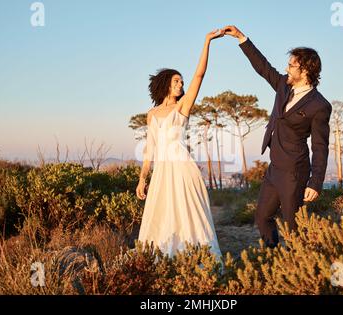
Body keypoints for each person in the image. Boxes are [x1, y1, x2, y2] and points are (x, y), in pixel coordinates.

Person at [222, 25, 332, 248]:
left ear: (306, 71)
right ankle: (273, 259)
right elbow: (263, 67)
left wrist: (315, 182)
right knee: (262, 217)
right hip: (274, 168)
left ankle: (300, 269)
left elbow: (320, 147)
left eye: (292, 65)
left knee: (294, 228)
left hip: (294, 171)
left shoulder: (319, 106)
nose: (287, 69)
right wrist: (242, 38)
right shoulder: (283, 85)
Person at [135, 30, 224, 259]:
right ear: (165, 84)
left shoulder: (182, 107)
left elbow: (199, 76)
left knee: (189, 218)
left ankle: (199, 264)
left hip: (183, 170)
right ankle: (164, 266)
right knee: (162, 219)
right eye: (176, 81)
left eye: (182, 81)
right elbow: (150, 152)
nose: (181, 84)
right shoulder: (151, 114)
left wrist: (207, 42)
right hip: (162, 173)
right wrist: (142, 179)